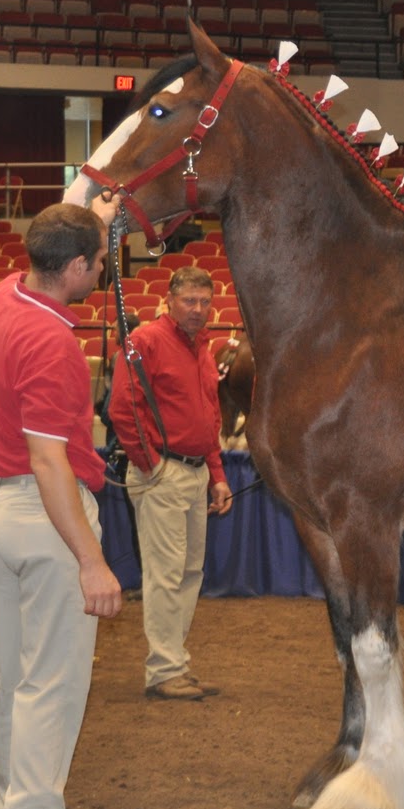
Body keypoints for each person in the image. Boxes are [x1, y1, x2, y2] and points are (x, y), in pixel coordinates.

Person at [0, 202, 121, 809]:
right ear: (80, 266)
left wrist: (94, 214)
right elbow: (52, 463)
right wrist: (91, 558)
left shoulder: (2, 297)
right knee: (49, 692)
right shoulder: (54, 343)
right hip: (42, 512)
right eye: (97, 257)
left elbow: (60, 239)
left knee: (17, 685)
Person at [109, 267, 234, 700]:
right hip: (163, 472)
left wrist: (216, 476)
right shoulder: (144, 342)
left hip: (194, 470)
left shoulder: (203, 347)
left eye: (205, 301)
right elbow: (123, 408)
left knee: (188, 572)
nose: (198, 309)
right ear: (170, 300)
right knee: (166, 574)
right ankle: (164, 670)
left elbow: (210, 418)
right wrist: (151, 465)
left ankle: (173, 663)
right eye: (190, 301)